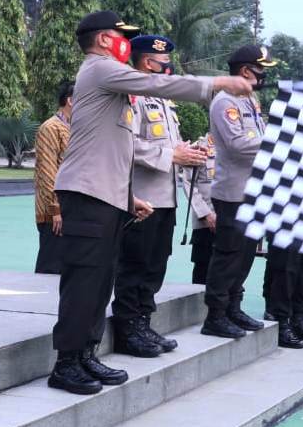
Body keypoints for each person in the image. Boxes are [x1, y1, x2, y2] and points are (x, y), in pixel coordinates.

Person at [47, 11, 252, 395]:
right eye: (123, 36)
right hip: (86, 195)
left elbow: (114, 151)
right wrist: (219, 83)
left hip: (106, 196)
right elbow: (160, 85)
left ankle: (86, 354)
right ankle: (66, 363)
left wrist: (128, 198)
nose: (127, 42)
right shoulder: (99, 69)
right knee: (84, 282)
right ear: (106, 40)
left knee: (101, 281)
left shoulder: (109, 78)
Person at [109, 35, 210, 357]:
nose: (168, 65)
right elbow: (126, 143)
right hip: (141, 197)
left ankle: (143, 323)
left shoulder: (163, 99)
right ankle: (127, 329)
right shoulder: (132, 95)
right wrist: (171, 155)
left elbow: (172, 145)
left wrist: (191, 151)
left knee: (155, 266)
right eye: (163, 60)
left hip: (166, 198)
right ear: (148, 62)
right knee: (134, 265)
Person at [203, 44, 285, 343]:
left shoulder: (249, 101)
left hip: (253, 191)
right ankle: (215, 315)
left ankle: (233, 307)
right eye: (260, 69)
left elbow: (257, 138)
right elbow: (238, 145)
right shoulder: (225, 103)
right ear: (245, 71)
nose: (263, 75)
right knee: (228, 254)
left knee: (247, 254)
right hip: (232, 192)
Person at [34, 81, 74, 275]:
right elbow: (48, 172)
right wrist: (55, 209)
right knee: (51, 267)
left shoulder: (79, 128)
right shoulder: (50, 128)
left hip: (73, 209)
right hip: (54, 214)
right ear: (71, 101)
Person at [185, 135, 217, 285]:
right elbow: (187, 182)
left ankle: (231, 307)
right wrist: (205, 214)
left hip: (232, 220)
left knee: (233, 269)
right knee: (203, 272)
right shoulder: (200, 147)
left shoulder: (237, 148)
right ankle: (201, 308)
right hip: (207, 223)